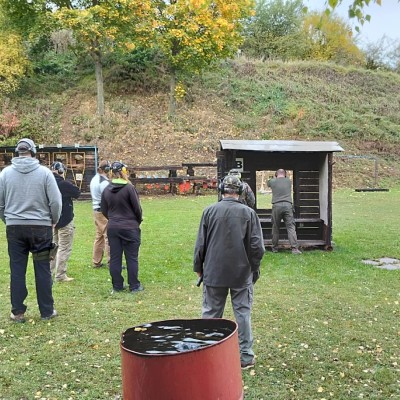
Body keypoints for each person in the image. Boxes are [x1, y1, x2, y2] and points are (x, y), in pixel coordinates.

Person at [193, 174, 265, 369]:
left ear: (222, 190)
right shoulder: (249, 214)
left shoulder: (209, 211)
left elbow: (201, 244)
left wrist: (198, 268)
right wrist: (253, 268)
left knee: (210, 315)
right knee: (242, 314)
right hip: (241, 275)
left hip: (213, 273)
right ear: (240, 192)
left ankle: (207, 354)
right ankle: (245, 357)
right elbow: (257, 247)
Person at [0, 138, 62, 322]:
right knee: (42, 269)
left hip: (14, 229)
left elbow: (0, 204)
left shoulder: (5, 174)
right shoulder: (45, 173)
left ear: (17, 152)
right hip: (41, 228)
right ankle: (47, 311)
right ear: (33, 152)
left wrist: (9, 220)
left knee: (17, 270)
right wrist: (53, 220)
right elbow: (56, 202)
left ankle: (17, 312)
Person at [101, 161, 143, 294]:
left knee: (115, 258)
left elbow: (103, 209)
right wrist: (136, 221)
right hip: (130, 226)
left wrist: (112, 219)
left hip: (113, 227)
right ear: (124, 172)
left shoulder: (106, 189)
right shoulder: (129, 188)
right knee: (131, 258)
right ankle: (134, 285)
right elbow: (137, 208)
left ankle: (117, 285)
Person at [50, 161, 81, 282]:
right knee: (64, 248)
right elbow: (77, 192)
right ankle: (60, 275)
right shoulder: (63, 184)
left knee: (53, 247)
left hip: (51, 221)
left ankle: (49, 272)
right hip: (65, 220)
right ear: (61, 171)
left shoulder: (46, 183)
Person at [267, 169, 301, 254]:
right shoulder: (288, 181)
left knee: (275, 227)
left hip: (276, 205)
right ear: (285, 174)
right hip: (287, 205)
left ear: (276, 174)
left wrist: (272, 177)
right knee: (290, 227)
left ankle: (274, 248)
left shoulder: (273, 181)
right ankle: (294, 249)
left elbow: (268, 183)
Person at [90, 160, 111, 268]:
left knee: (99, 237)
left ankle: (96, 261)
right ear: (106, 169)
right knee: (109, 236)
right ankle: (112, 262)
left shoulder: (95, 179)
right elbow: (109, 198)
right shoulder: (104, 182)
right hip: (103, 212)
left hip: (96, 210)